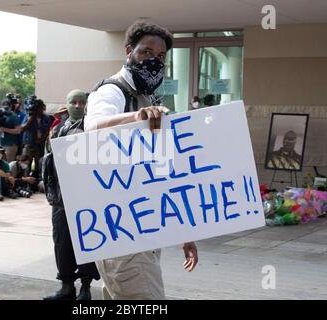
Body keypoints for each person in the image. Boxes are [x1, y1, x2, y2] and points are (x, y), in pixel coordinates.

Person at [85, 21, 198, 300]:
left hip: (143, 228)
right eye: (146, 52)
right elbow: (93, 126)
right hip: (122, 234)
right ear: (129, 51)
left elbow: (162, 170)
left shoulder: (147, 96)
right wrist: (136, 117)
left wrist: (185, 231)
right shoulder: (113, 91)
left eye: (160, 57)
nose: (153, 61)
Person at [43, 89, 100, 301]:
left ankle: (85, 287)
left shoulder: (92, 127)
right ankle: (66, 286)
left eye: (81, 102)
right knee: (62, 241)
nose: (77, 106)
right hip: (60, 197)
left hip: (85, 195)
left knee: (86, 240)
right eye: (73, 102)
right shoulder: (57, 128)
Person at [22, 99, 53, 174]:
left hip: (40, 144)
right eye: (39, 108)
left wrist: (41, 140)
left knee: (39, 162)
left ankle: (36, 178)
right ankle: (26, 179)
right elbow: (23, 128)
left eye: (42, 108)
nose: (41, 110)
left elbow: (47, 131)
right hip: (29, 143)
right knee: (26, 163)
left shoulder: (46, 118)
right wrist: (30, 119)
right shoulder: (28, 117)